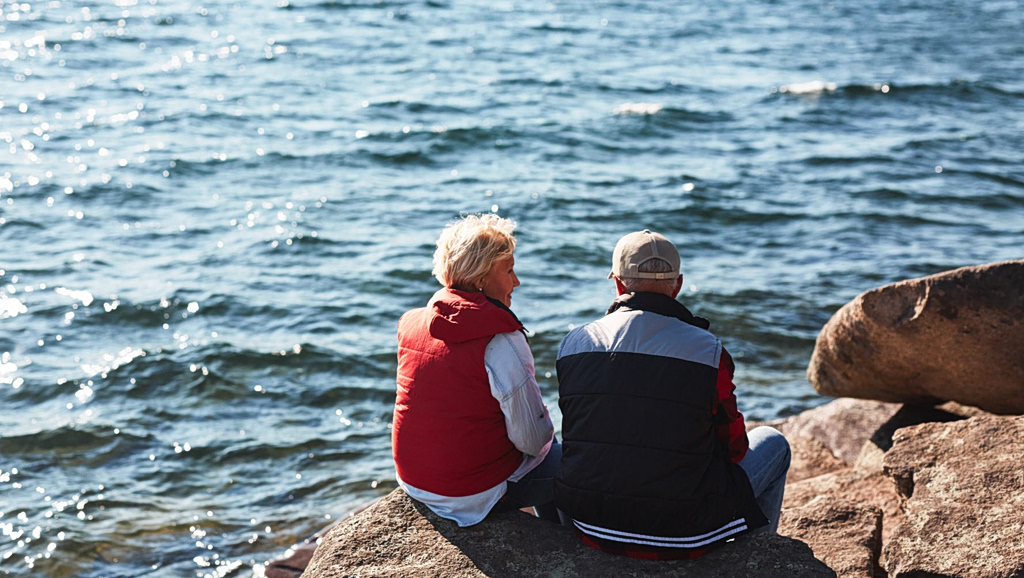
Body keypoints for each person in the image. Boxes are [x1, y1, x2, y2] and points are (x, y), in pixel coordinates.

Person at [555, 229, 790, 559]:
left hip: (591, 524)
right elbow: (735, 448)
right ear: (677, 285)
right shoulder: (708, 352)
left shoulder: (574, 344)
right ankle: (754, 558)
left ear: (618, 284)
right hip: (682, 532)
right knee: (775, 443)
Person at [392, 213, 559, 526]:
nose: (517, 282)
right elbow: (533, 442)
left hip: (413, 481)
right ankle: (563, 547)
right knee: (570, 461)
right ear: (482, 279)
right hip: (468, 494)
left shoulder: (410, 323)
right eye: (509, 270)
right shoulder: (501, 341)